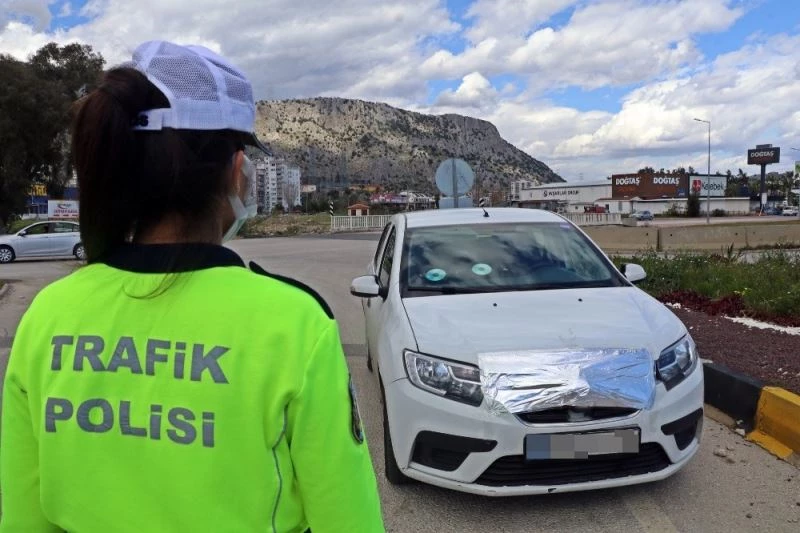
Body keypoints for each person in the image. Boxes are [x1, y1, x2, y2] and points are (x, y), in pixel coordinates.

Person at [0, 40, 384, 533]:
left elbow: (25, 517)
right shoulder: (294, 323)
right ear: (235, 172)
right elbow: (347, 518)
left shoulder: (49, 313)